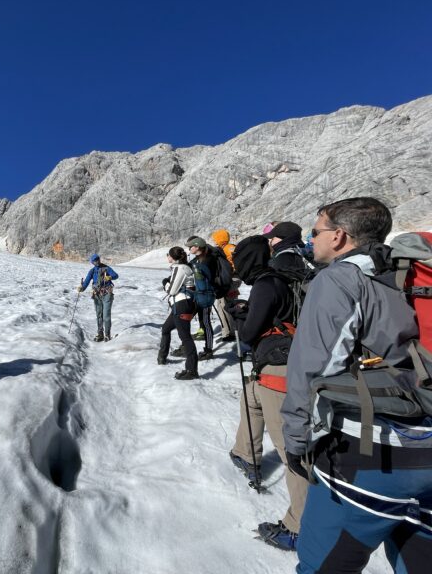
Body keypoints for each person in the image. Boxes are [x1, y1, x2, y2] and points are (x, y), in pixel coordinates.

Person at [281, 197, 432, 572]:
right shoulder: (409, 273)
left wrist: (297, 442)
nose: (310, 240)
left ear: (339, 236)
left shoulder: (339, 280)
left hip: (372, 455)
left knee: (324, 564)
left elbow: (312, 369)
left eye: (315, 232)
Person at [226, 236, 309, 551]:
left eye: (238, 260)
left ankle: (299, 527)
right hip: (277, 362)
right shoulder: (277, 279)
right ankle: (246, 453)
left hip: (279, 367)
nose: (236, 266)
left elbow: (248, 333)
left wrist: (239, 317)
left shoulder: (265, 283)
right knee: (251, 398)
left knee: (290, 449)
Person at [159, 247, 198, 379]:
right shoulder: (185, 267)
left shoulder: (179, 268)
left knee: (185, 337)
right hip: (182, 304)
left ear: (172, 257)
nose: (167, 257)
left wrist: (165, 283)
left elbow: (171, 290)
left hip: (181, 305)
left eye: (168, 255)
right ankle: (162, 358)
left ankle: (192, 370)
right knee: (165, 328)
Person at [185, 237, 217, 360]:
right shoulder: (197, 259)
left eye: (191, 247)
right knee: (199, 321)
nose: (189, 249)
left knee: (206, 322)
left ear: (197, 246)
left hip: (206, 296)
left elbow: (208, 278)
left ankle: (209, 350)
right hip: (199, 294)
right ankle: (186, 346)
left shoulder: (208, 260)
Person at [78, 253, 119, 341]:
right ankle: (100, 334)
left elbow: (116, 275)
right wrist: (82, 288)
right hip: (97, 295)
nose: (97, 262)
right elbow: (86, 281)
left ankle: (107, 335)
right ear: (92, 262)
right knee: (99, 315)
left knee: (106, 316)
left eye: (97, 260)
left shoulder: (107, 268)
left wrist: (109, 277)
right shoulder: (92, 271)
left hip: (107, 293)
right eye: (95, 261)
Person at [211, 228, 241, 342]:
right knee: (227, 303)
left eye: (216, 239)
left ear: (219, 239)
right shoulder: (231, 247)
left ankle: (229, 332)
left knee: (224, 304)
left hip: (230, 279)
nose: (214, 241)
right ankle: (231, 329)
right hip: (234, 278)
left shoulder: (227, 249)